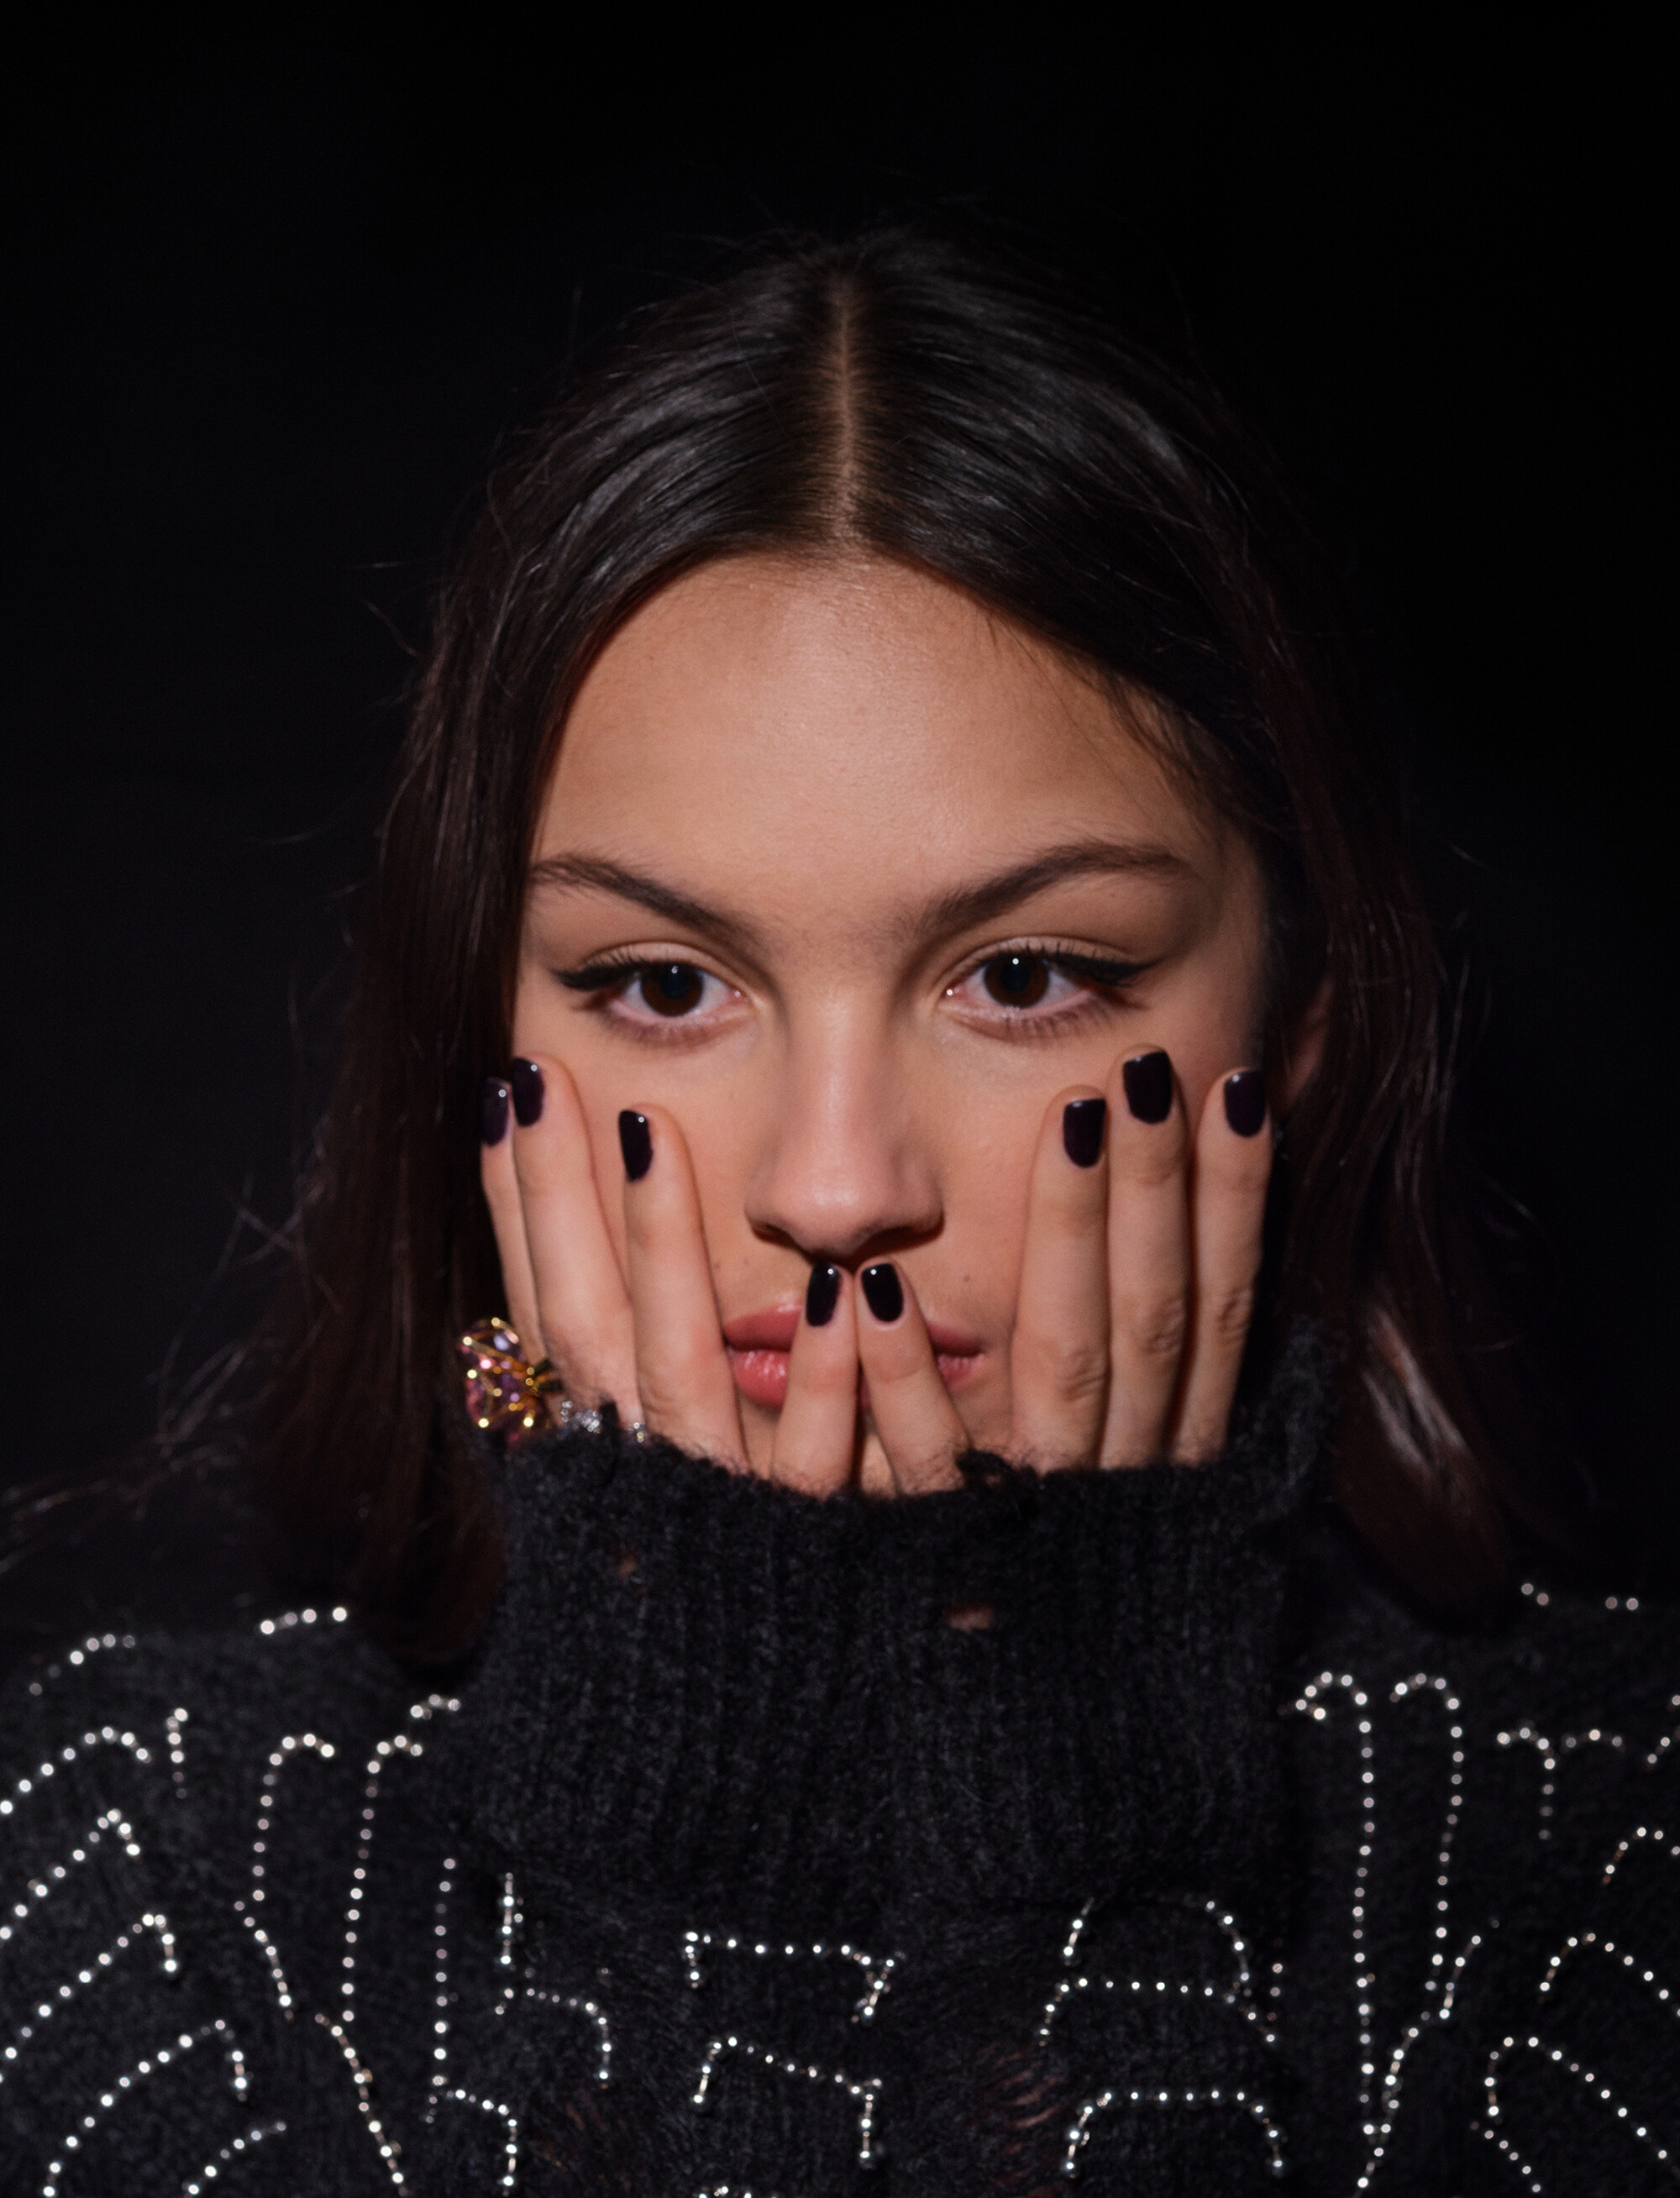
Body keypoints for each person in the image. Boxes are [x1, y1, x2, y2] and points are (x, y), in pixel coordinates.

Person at [3, 225, 1675, 2196]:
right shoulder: (155, 1867)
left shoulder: (1607, 1851)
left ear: (1292, 1046)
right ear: (478, 1048)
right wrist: (697, 1837)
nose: (835, 1188)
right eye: (662, 985)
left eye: (1025, 978)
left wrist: (1092, 1845)